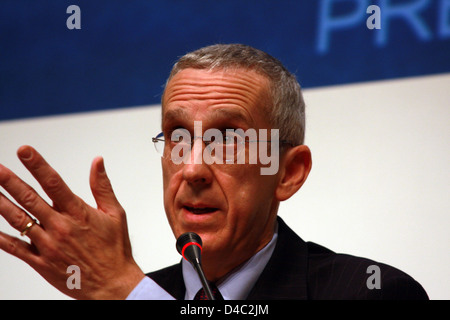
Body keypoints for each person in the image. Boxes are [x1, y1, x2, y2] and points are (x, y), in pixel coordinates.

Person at [0, 44, 428, 300]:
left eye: (226, 138)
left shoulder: (371, 293)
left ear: (288, 172)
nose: (193, 168)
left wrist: (126, 292)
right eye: (177, 137)